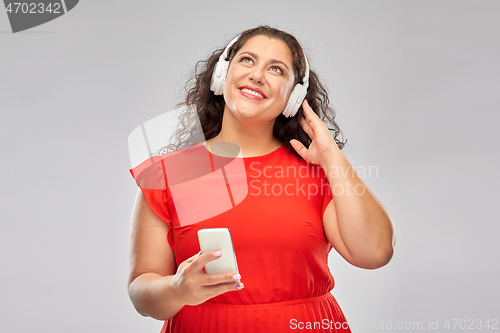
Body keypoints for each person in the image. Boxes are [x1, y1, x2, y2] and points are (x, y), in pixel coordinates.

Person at [128, 26, 395, 332]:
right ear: (222, 75)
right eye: (247, 60)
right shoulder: (167, 174)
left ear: (294, 97)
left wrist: (333, 159)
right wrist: (178, 289)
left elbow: (376, 252)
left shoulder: (318, 174)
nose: (257, 75)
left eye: (276, 69)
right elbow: (141, 291)